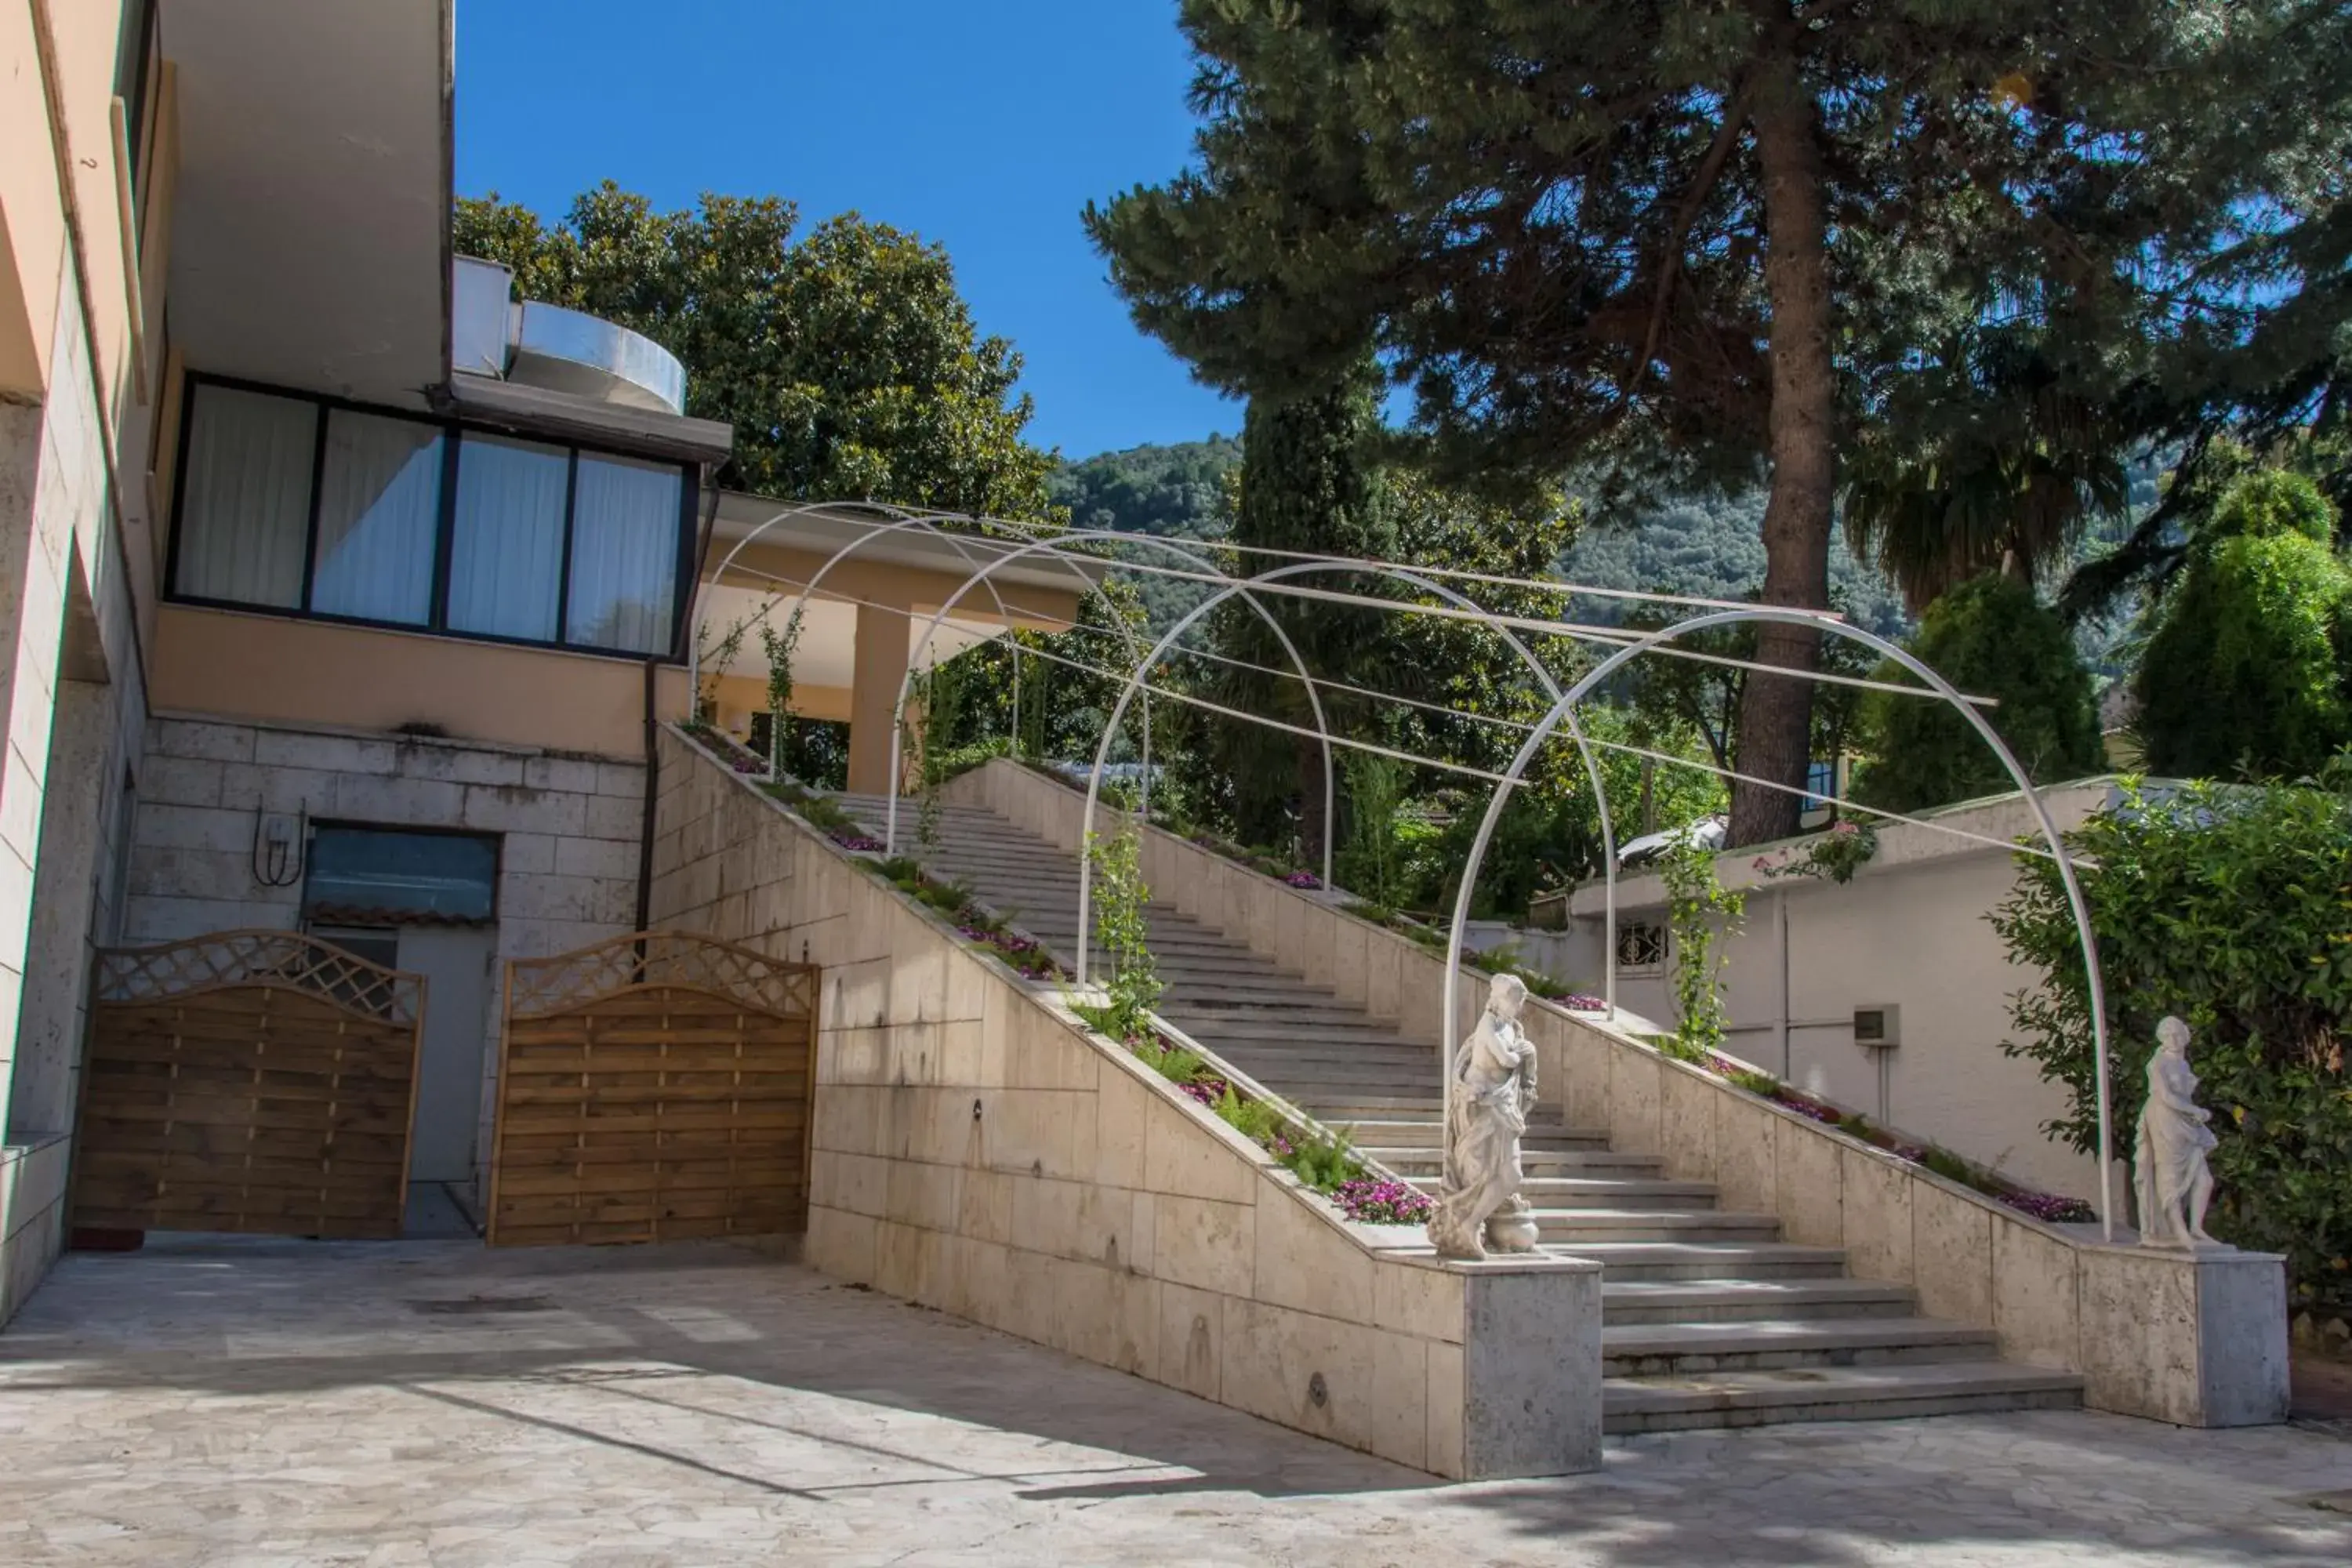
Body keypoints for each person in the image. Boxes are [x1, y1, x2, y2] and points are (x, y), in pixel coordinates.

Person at [1427, 974, 1539, 1260]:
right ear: (1500, 1000)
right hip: (1482, 1109)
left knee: (1512, 1174)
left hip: (1503, 1108)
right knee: (1479, 1175)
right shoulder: (1488, 1025)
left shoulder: (1512, 1028)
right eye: (1515, 1001)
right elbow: (1506, 1060)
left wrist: (1526, 1054)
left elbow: (1515, 1065)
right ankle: (1469, 1226)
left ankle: (1471, 1223)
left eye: (1521, 1002)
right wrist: (1525, 1052)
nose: (1518, 1007)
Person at [2134, 1015, 2220, 1247]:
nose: (2173, 1039)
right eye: (2167, 1034)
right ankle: (2177, 1229)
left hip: (2184, 1120)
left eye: (2177, 1033)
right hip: (2163, 1117)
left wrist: (2192, 1113)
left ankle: (2196, 1228)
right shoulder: (2157, 1063)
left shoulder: (2182, 1063)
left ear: (2185, 1036)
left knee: (2204, 1178)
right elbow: (2165, 1096)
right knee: (2169, 1173)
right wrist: (2195, 1110)